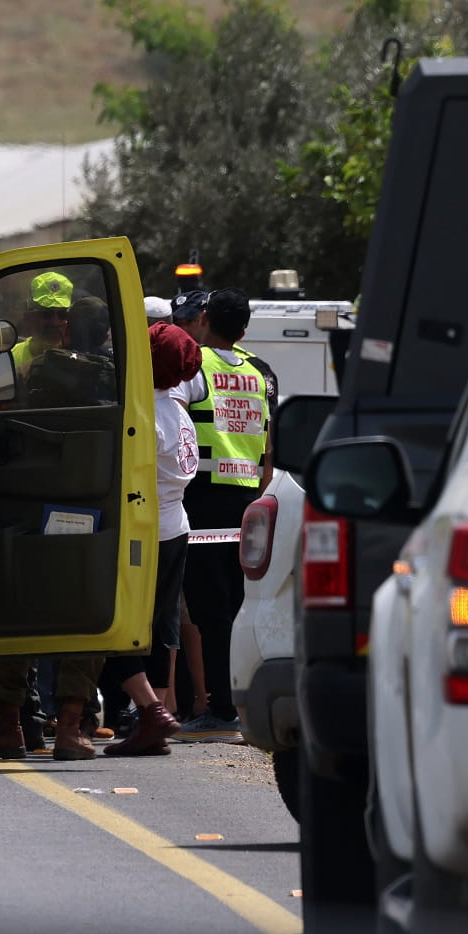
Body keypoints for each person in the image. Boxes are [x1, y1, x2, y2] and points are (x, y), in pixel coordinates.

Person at [175, 288, 272, 744]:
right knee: (236, 606)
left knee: (210, 610)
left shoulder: (195, 365)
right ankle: (240, 702)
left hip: (204, 500)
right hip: (247, 501)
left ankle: (219, 709)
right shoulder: (257, 373)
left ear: (205, 318)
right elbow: (267, 450)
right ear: (245, 329)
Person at [101, 321, 201, 756]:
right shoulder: (179, 411)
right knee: (160, 627)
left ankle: (149, 711)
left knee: (112, 623)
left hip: (144, 531)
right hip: (176, 526)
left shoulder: (145, 415)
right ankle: (155, 714)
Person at [9, 270, 72, 379]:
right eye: (47, 314)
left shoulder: (78, 359)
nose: (55, 322)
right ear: (28, 316)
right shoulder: (11, 358)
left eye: (62, 314)